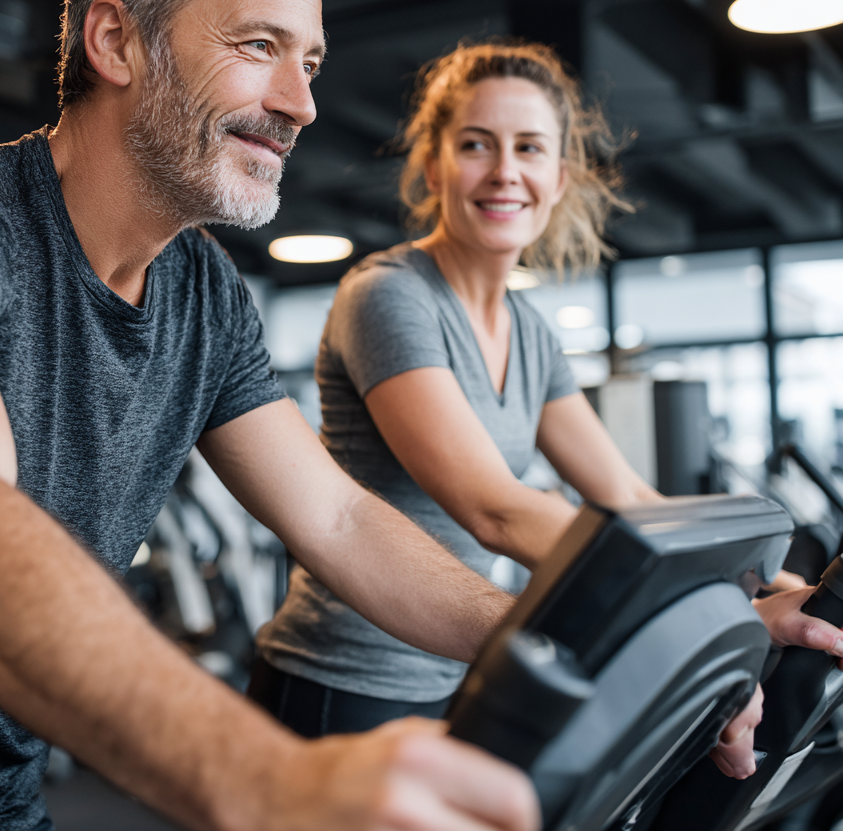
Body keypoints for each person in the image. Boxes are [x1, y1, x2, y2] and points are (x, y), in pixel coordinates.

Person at [0, 0, 541, 831]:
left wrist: (568, 641)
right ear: (117, 41)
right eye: (259, 46)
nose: (302, 103)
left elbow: (337, 522)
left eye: (310, 62)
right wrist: (263, 775)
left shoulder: (203, 290)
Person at [252, 41, 843, 779]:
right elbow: (492, 508)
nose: (505, 172)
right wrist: (710, 599)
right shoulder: (390, 296)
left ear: (558, 177)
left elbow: (626, 498)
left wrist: (773, 580)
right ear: (433, 167)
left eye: (529, 148)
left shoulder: (530, 333)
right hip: (340, 683)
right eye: (476, 145)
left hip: (457, 669)